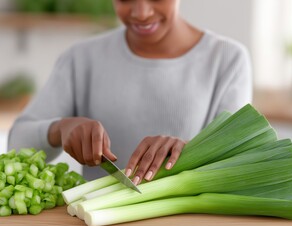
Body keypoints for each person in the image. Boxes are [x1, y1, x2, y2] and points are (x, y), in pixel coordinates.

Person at [8, 0, 252, 183]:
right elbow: (16, 142)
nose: (142, 13)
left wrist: (186, 149)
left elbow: (237, 161)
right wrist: (60, 129)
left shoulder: (227, 59)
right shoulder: (81, 58)